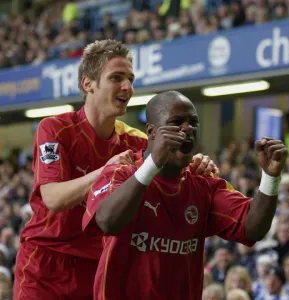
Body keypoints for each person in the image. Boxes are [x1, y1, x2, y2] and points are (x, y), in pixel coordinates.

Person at [13, 40, 218, 299]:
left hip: (100, 264)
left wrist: (196, 164)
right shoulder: (54, 129)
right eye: (116, 78)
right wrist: (105, 171)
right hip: (46, 265)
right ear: (88, 83)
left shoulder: (137, 141)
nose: (128, 87)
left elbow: (176, 171)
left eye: (131, 79)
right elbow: (52, 199)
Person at [82, 91, 288, 299]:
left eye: (194, 122)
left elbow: (252, 229)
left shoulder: (204, 183)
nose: (188, 128)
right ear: (152, 131)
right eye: (177, 121)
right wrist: (153, 164)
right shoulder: (120, 172)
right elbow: (107, 222)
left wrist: (271, 177)